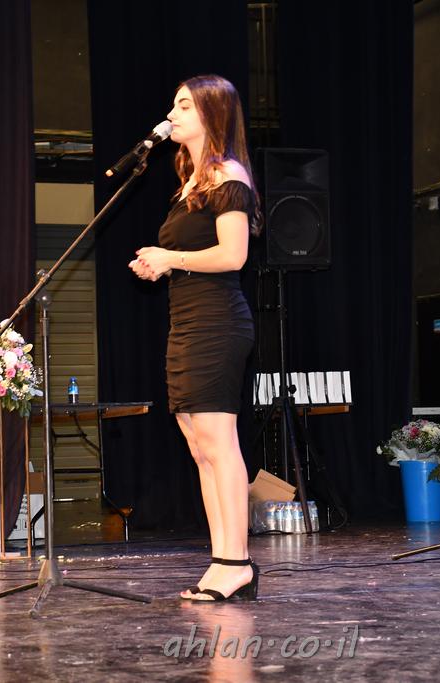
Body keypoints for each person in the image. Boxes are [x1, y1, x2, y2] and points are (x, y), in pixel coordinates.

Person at [130, 74, 262, 601]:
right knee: (199, 446)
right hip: (186, 322)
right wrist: (159, 265)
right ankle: (222, 558)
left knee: (219, 443)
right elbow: (191, 256)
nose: (172, 114)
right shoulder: (189, 182)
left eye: (184, 105)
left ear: (212, 114)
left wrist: (171, 257)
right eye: (173, 104)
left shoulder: (229, 175)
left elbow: (233, 255)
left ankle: (237, 562)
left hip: (217, 324)